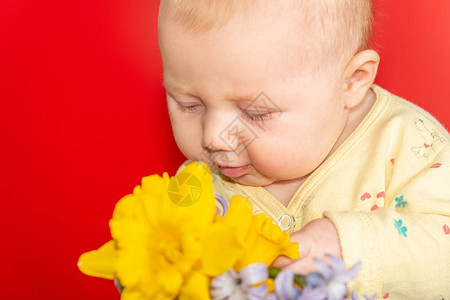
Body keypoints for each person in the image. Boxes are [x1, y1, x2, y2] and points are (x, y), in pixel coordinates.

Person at [158, 0, 450, 298]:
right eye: (188, 105)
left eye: (255, 113)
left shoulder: (408, 143)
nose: (214, 138)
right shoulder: (198, 184)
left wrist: (348, 245)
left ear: (351, 82)